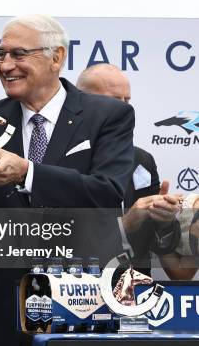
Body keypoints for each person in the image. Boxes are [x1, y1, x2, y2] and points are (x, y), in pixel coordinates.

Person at [0, 15, 135, 346]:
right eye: (1, 54)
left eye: (18, 54)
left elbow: (108, 193)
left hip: (81, 309)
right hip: (3, 321)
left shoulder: (108, 115)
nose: (5, 65)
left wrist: (29, 173)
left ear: (56, 57)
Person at [76, 63, 184, 275]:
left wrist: (164, 220)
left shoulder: (141, 160)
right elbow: (54, 238)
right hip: (76, 293)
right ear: (81, 101)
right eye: (115, 101)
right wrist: (124, 225)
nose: (125, 109)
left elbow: (160, 245)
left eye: (128, 100)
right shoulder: (56, 160)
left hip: (135, 294)